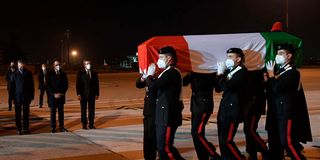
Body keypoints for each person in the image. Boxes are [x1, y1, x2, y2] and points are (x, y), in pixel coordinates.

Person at [265, 43, 312, 160]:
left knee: (287, 143)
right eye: (277, 53)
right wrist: (267, 80)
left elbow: (277, 88)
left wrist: (271, 76)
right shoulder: (281, 70)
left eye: (281, 53)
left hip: (286, 113)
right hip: (277, 111)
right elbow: (272, 89)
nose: (277, 56)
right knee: (276, 142)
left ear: (289, 56)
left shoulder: (292, 72)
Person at [146, 46, 185, 160]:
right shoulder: (166, 72)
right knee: (163, 147)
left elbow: (153, 86)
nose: (159, 60)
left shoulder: (171, 72)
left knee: (165, 148)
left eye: (161, 57)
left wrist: (149, 76)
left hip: (168, 116)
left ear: (169, 58)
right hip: (163, 116)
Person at [215, 48, 247, 160]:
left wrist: (220, 75)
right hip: (224, 110)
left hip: (233, 112)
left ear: (238, 59)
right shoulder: (229, 71)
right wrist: (220, 74)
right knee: (222, 140)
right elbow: (218, 89)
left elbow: (227, 87)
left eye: (230, 57)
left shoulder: (242, 73)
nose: (227, 59)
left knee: (227, 140)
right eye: (227, 56)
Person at [183, 72, 221, 160]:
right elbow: (184, 82)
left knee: (197, 133)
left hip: (204, 106)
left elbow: (217, 89)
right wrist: (190, 73)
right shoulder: (194, 72)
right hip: (196, 106)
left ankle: (213, 154)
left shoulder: (210, 72)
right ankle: (203, 156)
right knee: (196, 134)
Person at [243, 70, 269, 160]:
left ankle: (264, 149)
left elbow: (260, 89)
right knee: (247, 129)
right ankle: (252, 152)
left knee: (250, 129)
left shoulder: (256, 71)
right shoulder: (245, 71)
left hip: (255, 105)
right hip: (248, 105)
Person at [136, 69, 158, 160]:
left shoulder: (160, 76)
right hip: (147, 109)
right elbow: (138, 84)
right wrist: (144, 76)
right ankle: (148, 156)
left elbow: (152, 86)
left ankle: (153, 154)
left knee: (153, 134)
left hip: (155, 110)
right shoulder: (150, 76)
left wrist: (150, 76)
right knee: (147, 134)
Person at [12, 59, 35, 135]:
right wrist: (12, 98)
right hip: (17, 97)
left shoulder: (28, 73)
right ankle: (19, 129)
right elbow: (12, 87)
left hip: (26, 97)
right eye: (19, 64)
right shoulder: (14, 74)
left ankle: (26, 128)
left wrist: (32, 96)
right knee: (18, 114)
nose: (21, 66)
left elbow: (32, 86)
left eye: (22, 64)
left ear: (24, 65)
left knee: (26, 114)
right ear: (17, 65)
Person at [76, 59, 99, 129]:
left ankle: (91, 124)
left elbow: (96, 84)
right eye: (87, 63)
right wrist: (78, 94)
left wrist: (97, 94)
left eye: (89, 63)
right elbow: (78, 84)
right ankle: (84, 124)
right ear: (84, 65)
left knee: (91, 110)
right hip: (83, 94)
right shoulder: (80, 73)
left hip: (92, 94)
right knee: (83, 110)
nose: (88, 65)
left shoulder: (94, 72)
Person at [47, 59, 69, 133]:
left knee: (61, 113)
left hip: (61, 96)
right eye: (56, 65)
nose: (58, 66)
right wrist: (54, 94)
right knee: (53, 113)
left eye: (59, 64)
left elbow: (66, 84)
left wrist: (62, 93)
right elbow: (48, 85)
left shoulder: (63, 74)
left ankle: (61, 126)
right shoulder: (49, 73)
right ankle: (52, 127)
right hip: (53, 97)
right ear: (53, 65)